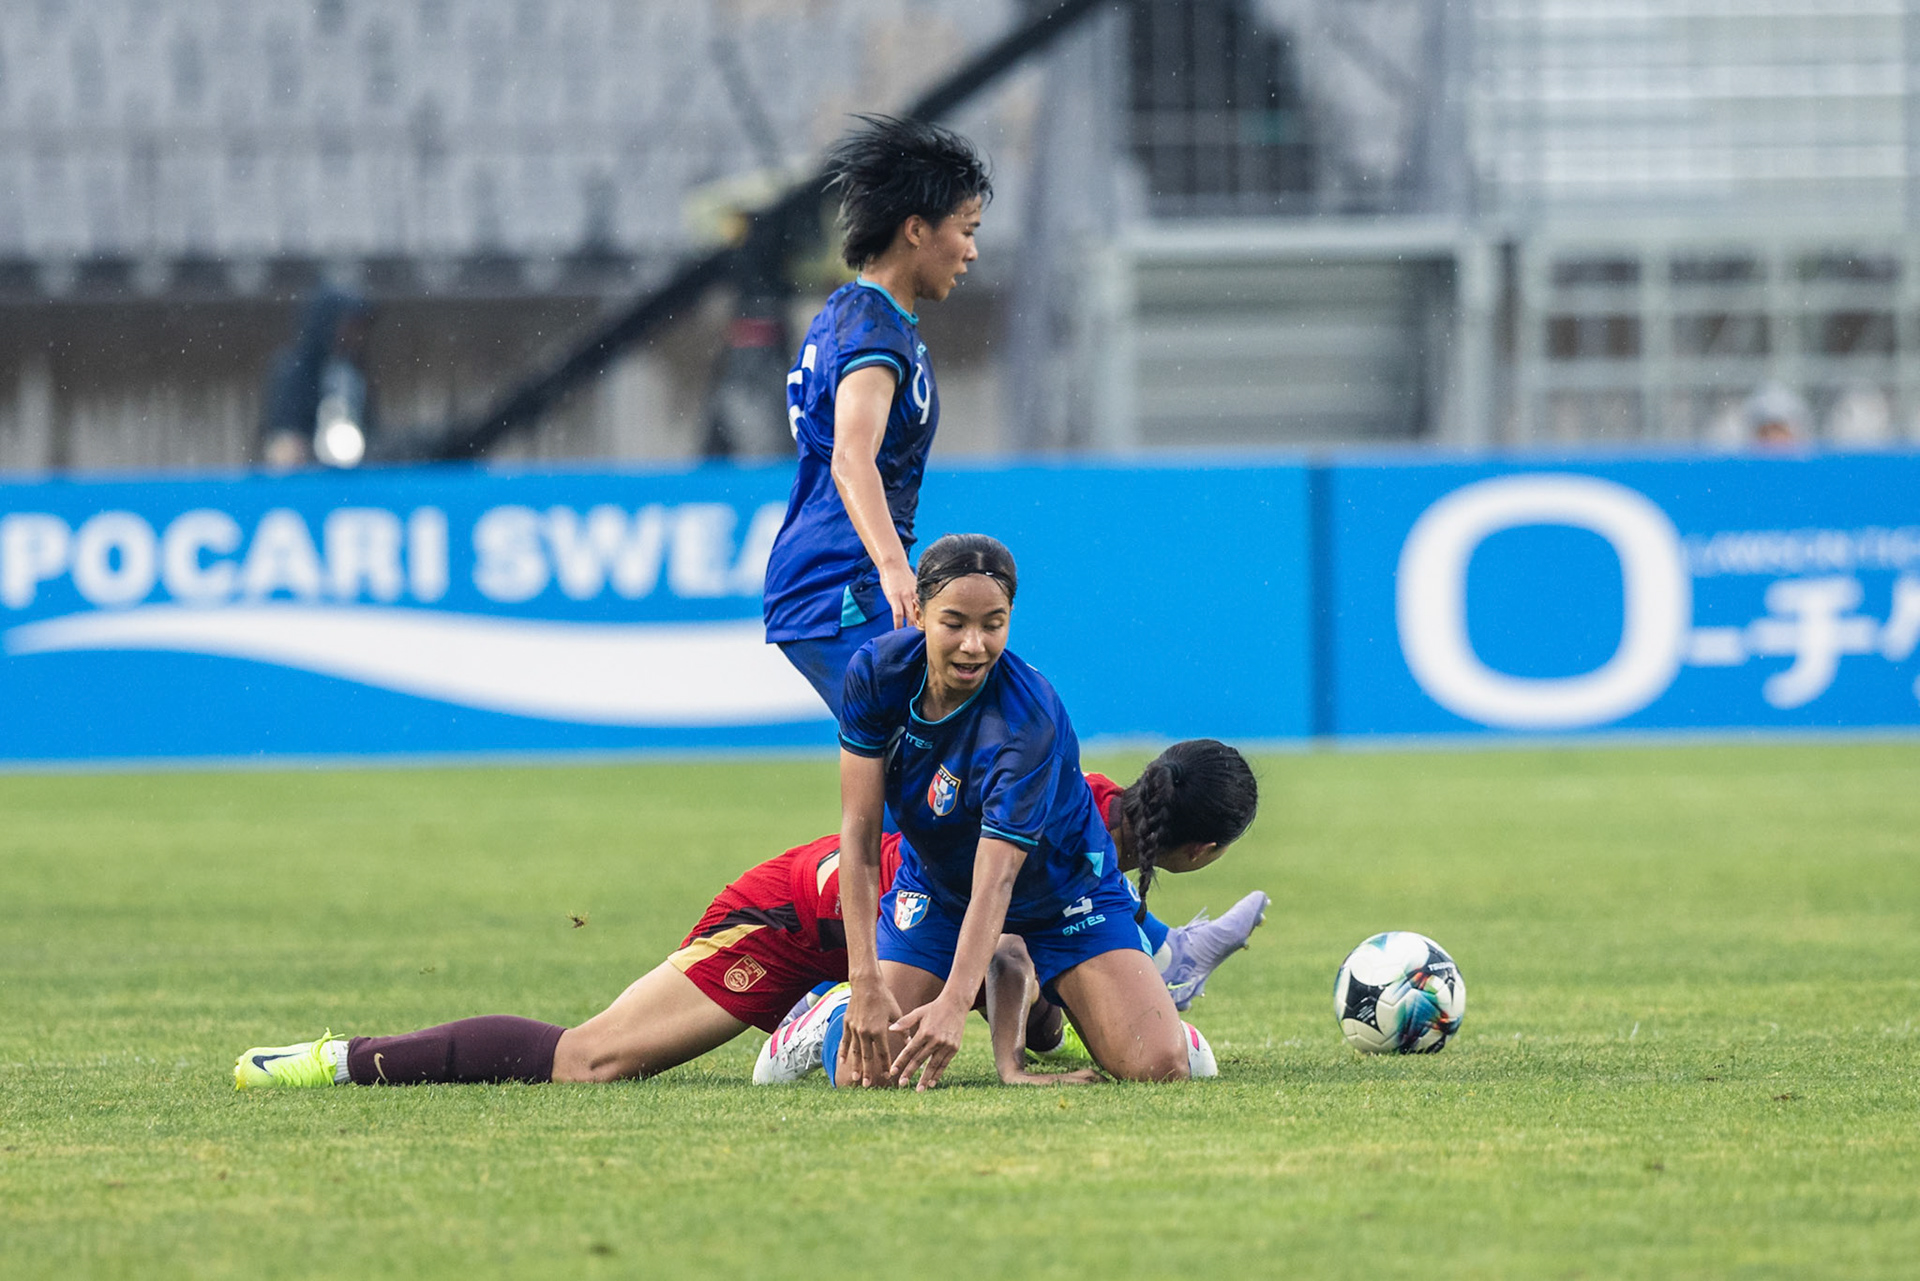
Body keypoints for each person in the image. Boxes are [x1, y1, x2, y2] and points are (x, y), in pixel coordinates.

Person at [230, 742, 1257, 1092]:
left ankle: (826, 1021)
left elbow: (1038, 954)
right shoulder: (1049, 809)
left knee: (1001, 999)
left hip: (892, 935)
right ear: (1200, 849)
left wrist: (1144, 976)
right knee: (591, 1062)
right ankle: (340, 1059)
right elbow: (982, 923)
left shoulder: (1091, 808)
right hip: (793, 918)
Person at [833, 533, 1236, 1091]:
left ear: (1010, 618)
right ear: (920, 613)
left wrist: (954, 1001)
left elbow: (997, 882)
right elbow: (857, 842)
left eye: (993, 624)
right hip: (940, 890)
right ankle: (818, 1017)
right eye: (954, 623)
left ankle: (1133, 1010)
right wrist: (865, 980)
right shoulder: (876, 675)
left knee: (1159, 1066)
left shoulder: (1027, 722)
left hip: (1065, 895)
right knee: (863, 1077)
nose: (974, 645)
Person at [761, 115, 989, 713]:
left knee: (930, 756)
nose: (971, 250)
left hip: (834, 579)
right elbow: (850, 456)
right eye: (965, 230)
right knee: (926, 757)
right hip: (841, 584)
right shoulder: (872, 330)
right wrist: (894, 569)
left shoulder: (859, 313)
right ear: (916, 229)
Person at [258, 286, 377, 470]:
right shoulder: (294, 371)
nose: (356, 336)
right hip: (305, 477)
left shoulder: (354, 373)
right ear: (328, 324)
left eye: (359, 328)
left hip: (354, 477)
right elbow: (282, 439)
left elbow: (371, 428)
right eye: (349, 326)